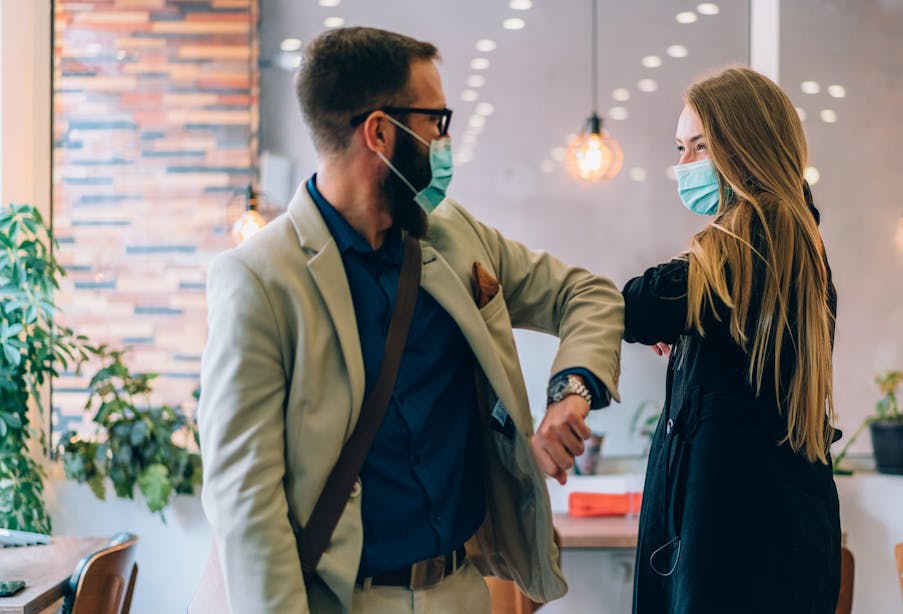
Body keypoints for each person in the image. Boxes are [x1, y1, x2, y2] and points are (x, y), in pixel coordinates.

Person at [198, 27, 623, 614]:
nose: (445, 141)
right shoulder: (260, 279)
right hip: (347, 600)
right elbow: (246, 500)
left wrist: (571, 391)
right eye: (436, 121)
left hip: (463, 589)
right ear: (380, 132)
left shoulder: (454, 235)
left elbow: (588, 294)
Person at [623, 66, 841, 613]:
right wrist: (695, 338)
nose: (684, 166)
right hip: (769, 544)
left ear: (745, 148)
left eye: (700, 147)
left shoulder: (753, 241)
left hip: (736, 555)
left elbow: (636, 305)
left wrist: (674, 317)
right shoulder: (793, 240)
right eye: (680, 148)